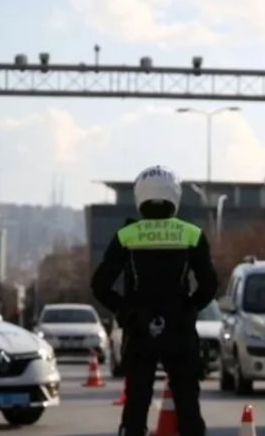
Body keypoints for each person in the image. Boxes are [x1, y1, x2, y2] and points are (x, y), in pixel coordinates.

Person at [91, 165, 218, 436]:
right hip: (179, 328)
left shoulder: (126, 236)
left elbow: (99, 285)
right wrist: (190, 308)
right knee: (187, 401)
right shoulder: (192, 234)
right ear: (175, 195)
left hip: (139, 327)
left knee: (136, 402)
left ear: (140, 195)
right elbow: (209, 285)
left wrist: (124, 310)